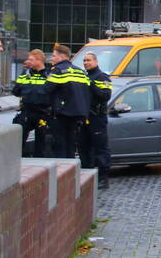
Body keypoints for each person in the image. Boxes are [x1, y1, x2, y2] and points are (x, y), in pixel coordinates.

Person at [44, 44, 90, 158]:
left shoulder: (58, 70)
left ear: (61, 56)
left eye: (54, 56)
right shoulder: (80, 71)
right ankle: (71, 170)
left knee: (60, 144)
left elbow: (47, 88)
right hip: (78, 113)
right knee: (71, 144)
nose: (52, 58)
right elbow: (87, 92)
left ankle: (62, 171)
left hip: (62, 113)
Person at [79, 52, 113, 189]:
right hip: (84, 118)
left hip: (97, 118)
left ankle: (103, 178)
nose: (86, 63)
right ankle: (87, 175)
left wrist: (91, 84)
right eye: (84, 61)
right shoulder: (84, 76)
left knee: (100, 149)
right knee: (83, 148)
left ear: (96, 61)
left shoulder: (102, 77)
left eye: (89, 60)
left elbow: (105, 95)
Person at [11, 49, 52, 156]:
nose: (28, 61)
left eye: (31, 59)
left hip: (43, 113)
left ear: (39, 60)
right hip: (26, 112)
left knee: (41, 143)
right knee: (19, 141)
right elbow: (16, 91)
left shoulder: (49, 75)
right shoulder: (26, 74)